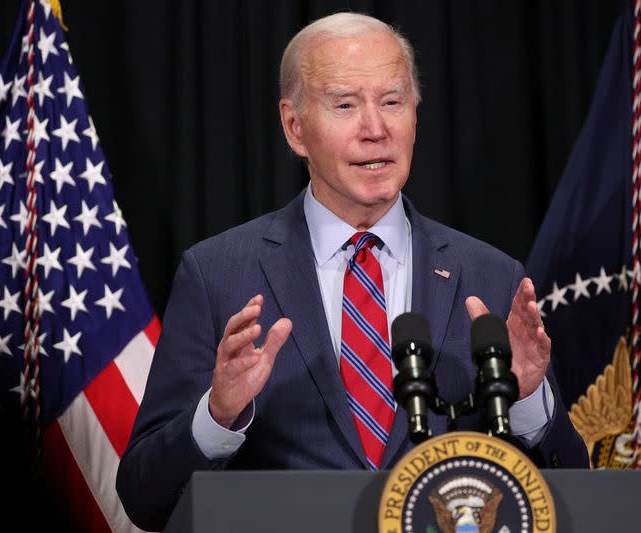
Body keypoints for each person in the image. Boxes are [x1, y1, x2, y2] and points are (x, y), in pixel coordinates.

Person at [116, 12, 587, 531]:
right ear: (295, 127)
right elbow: (144, 497)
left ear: (415, 115)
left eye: (392, 102)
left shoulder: (492, 276)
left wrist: (527, 399)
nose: (376, 129)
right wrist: (218, 416)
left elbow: (570, 490)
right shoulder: (218, 274)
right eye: (345, 105)